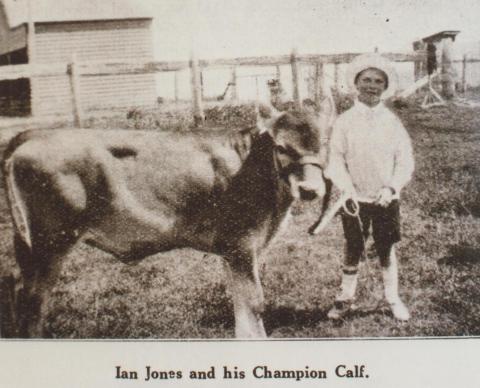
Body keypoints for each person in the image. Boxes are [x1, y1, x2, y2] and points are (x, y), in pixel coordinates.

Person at [325, 53, 415, 321]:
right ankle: (345, 298)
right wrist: (347, 188)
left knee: (386, 246)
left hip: (385, 198)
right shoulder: (344, 122)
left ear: (385, 87)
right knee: (353, 246)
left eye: (378, 81)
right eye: (366, 79)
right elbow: (335, 160)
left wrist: (391, 188)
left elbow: (405, 160)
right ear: (356, 83)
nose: (371, 85)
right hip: (354, 199)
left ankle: (392, 298)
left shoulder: (392, 122)